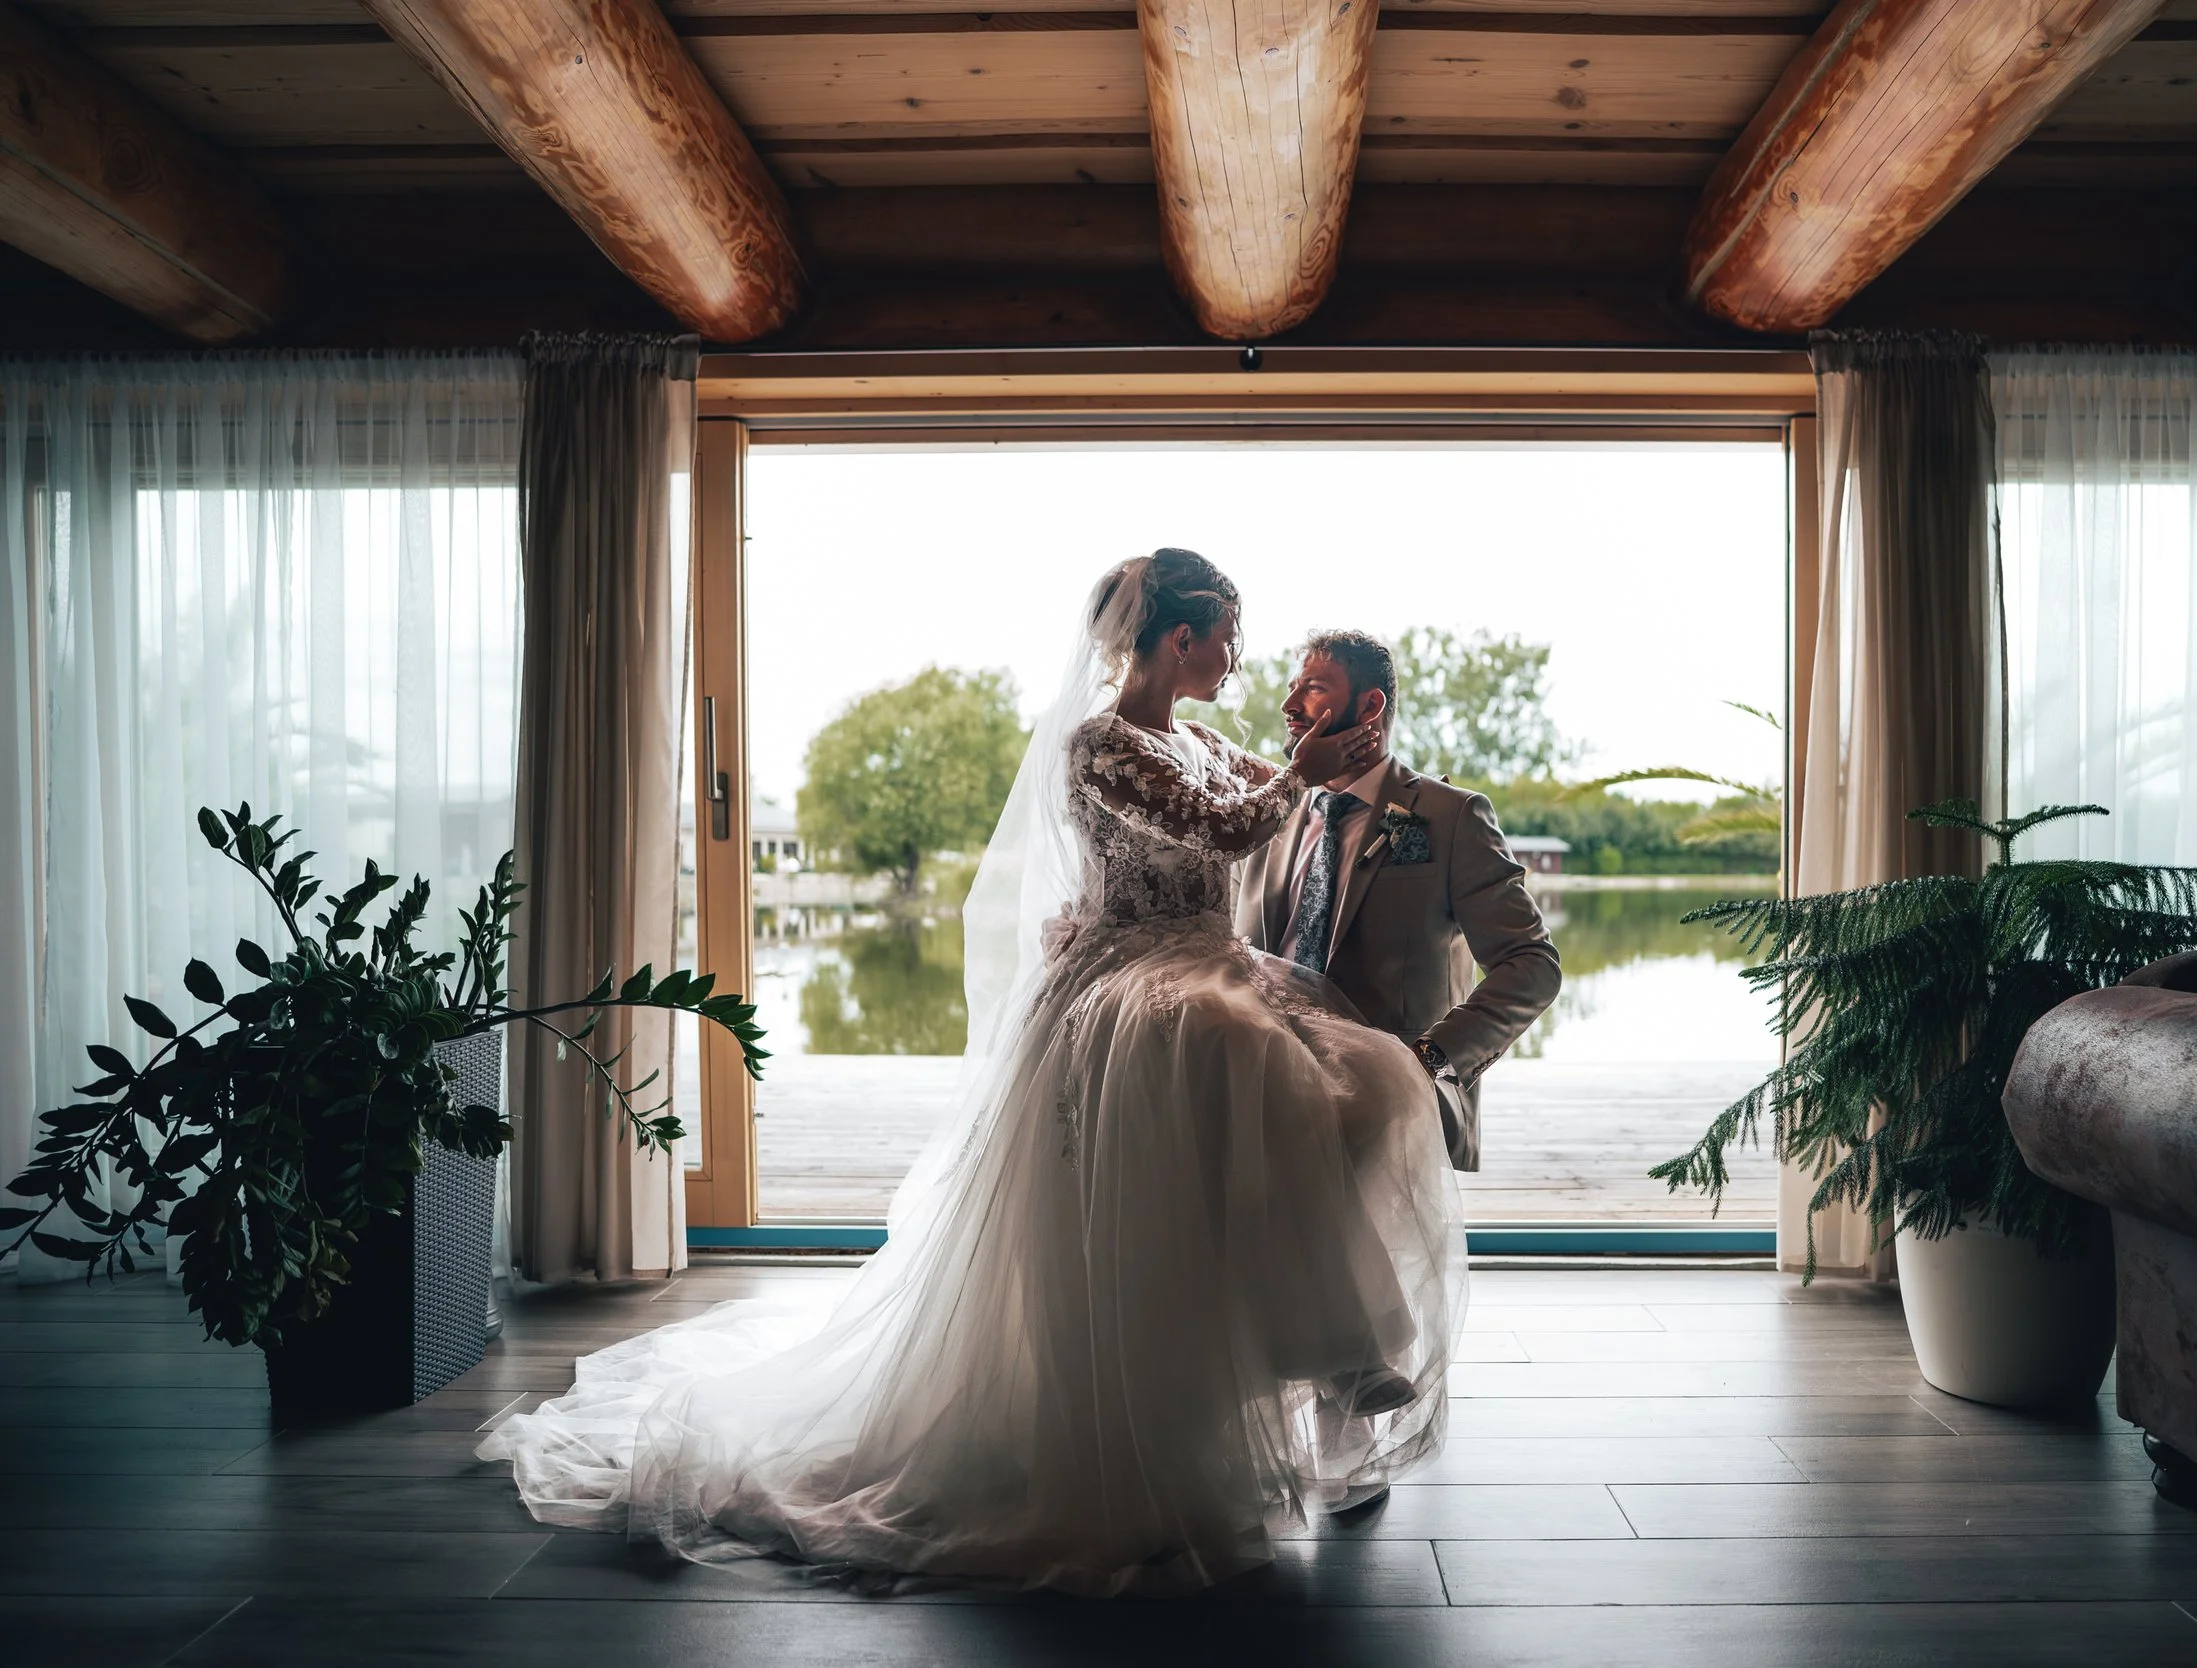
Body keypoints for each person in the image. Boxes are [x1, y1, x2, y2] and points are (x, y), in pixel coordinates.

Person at [480, 550, 1464, 1597]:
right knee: (1234, 1062)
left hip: (1210, 962)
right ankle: (1262, 1381)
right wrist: (1303, 769)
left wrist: (1308, 771)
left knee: (1365, 1083)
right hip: (1138, 975)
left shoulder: (1210, 738)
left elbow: (1238, 826)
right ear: (1177, 640)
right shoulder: (1101, 743)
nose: (1235, 655)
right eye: (1225, 633)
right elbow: (1217, 828)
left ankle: (1321, 1345)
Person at [1235, 629, 1561, 1175]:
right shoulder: (1269, 814)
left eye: (1312, 689)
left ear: (1370, 705)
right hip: (1261, 1097)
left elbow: (1531, 967)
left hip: (1390, 1116)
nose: (1290, 706)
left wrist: (1428, 1063)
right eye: (1292, 689)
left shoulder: (1452, 817)